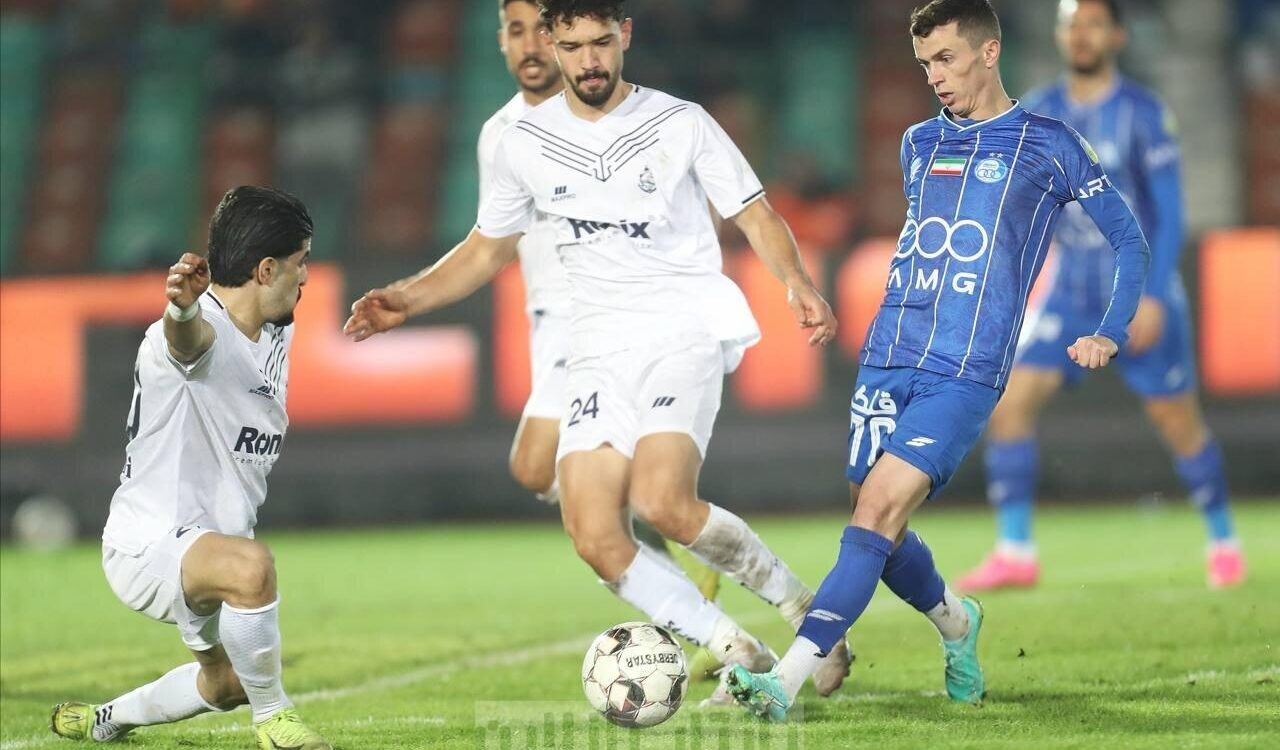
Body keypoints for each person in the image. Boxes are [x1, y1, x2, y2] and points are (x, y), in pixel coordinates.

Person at [346, 0, 850, 699]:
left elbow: (755, 212)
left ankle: (804, 609)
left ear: (625, 37)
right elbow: (486, 249)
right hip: (595, 348)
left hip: (682, 327)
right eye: (574, 45)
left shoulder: (680, 122)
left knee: (663, 501)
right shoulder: (522, 141)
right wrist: (405, 298)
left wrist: (797, 282)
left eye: (602, 42)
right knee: (593, 535)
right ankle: (734, 647)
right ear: (553, 44)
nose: (589, 60)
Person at [726, 0, 1149, 721]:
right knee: (875, 517)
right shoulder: (919, 143)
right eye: (925, 64)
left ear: (990, 51)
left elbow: (1128, 240)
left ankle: (785, 681)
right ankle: (957, 621)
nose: (934, 76)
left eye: (946, 59)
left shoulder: (1049, 144)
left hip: (966, 368)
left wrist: (1111, 329)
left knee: (878, 508)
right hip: (889, 354)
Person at [956, 0, 1246, 593]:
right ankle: (1015, 551)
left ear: (1116, 36)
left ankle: (1223, 540)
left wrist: (1154, 295)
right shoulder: (1039, 112)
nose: (1079, 35)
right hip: (1070, 292)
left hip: (1135, 289)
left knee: (1176, 419)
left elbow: (1168, 214)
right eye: (1070, 25)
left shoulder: (1143, 113)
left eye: (1091, 24)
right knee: (1008, 405)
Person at [484, 0, 728, 681]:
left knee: (546, 470)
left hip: (597, 317)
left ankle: (688, 585)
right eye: (515, 31)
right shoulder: (500, 134)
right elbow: (494, 239)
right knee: (543, 473)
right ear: (502, 42)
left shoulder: (626, 121)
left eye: (540, 31)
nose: (529, 45)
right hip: (547, 318)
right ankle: (681, 560)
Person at [50, 187, 329, 749]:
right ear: (266, 269)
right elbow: (188, 341)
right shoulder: (186, 335)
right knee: (252, 569)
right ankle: (275, 721)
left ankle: (106, 719)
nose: (306, 277)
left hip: (212, 542)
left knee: (227, 684)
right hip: (149, 544)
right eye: (300, 262)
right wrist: (180, 309)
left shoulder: (277, 328)